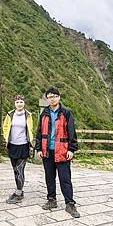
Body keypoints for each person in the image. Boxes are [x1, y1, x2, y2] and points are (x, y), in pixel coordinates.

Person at [35, 87, 80, 218]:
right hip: (47, 151)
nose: (52, 98)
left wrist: (72, 149)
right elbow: (39, 132)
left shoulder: (66, 112)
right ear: (47, 99)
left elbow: (72, 132)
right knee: (49, 177)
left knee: (65, 178)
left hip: (62, 151)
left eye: (54, 96)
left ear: (59, 97)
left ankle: (70, 203)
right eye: (49, 97)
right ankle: (51, 200)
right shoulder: (44, 113)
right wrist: (38, 148)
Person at [2, 94, 34, 204]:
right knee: (15, 170)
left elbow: (30, 129)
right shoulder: (10, 114)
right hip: (12, 145)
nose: (19, 104)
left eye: (21, 102)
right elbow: (5, 126)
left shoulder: (28, 115)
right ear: (14, 103)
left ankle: (19, 193)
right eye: (17, 102)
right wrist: (6, 137)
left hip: (23, 145)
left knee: (20, 170)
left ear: (24, 103)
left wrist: (31, 141)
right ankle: (18, 190)